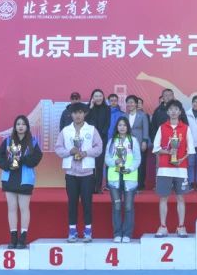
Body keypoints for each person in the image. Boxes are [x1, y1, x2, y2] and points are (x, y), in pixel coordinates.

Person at [55, 102, 103, 242]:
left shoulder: (91, 130)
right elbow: (58, 148)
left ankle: (88, 231)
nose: (78, 115)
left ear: (85, 114)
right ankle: (72, 231)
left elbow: (99, 148)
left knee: (87, 202)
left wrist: (86, 153)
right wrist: (69, 151)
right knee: (72, 202)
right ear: (71, 114)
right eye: (75, 113)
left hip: (87, 172)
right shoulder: (65, 131)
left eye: (80, 112)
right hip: (71, 173)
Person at [0, 115, 43, 249]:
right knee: (11, 208)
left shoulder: (33, 142)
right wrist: (8, 165)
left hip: (26, 179)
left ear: (27, 126)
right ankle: (13, 237)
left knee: (24, 208)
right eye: (18, 124)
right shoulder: (8, 141)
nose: (20, 126)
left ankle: (23, 237)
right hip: (9, 178)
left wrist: (23, 159)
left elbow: (37, 158)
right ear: (15, 127)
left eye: (23, 124)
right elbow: (0, 156)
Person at [152, 100, 195, 237]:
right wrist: (168, 152)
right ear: (167, 112)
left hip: (181, 169)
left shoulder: (186, 128)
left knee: (180, 198)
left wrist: (181, 159)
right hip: (164, 169)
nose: (174, 112)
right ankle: (163, 226)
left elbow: (191, 150)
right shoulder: (162, 128)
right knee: (163, 198)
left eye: (176, 109)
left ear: (180, 112)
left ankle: (181, 226)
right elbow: (156, 148)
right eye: (171, 109)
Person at [105, 116, 141, 243]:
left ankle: (127, 234)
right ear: (116, 127)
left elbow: (137, 159)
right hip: (114, 179)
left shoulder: (133, 140)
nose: (122, 127)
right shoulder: (112, 141)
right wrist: (114, 162)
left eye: (124, 125)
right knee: (117, 206)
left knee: (128, 207)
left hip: (129, 178)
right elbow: (107, 159)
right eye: (120, 125)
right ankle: (117, 233)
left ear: (128, 127)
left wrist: (130, 169)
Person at [124, 94, 151, 191]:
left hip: (140, 143)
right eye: (128, 102)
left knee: (140, 164)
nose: (130, 104)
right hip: (127, 143)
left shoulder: (142, 115)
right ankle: (129, 183)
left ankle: (140, 185)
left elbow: (146, 129)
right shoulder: (124, 116)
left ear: (136, 104)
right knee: (128, 163)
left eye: (132, 102)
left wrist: (145, 141)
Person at [86, 89, 111, 193]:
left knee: (99, 165)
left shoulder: (107, 108)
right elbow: (85, 121)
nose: (98, 98)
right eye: (96, 96)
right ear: (92, 98)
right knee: (91, 164)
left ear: (103, 97)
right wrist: (91, 107)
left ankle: (98, 187)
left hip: (102, 139)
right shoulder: (88, 108)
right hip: (89, 140)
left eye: (100, 96)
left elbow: (107, 124)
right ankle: (90, 187)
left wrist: (99, 136)